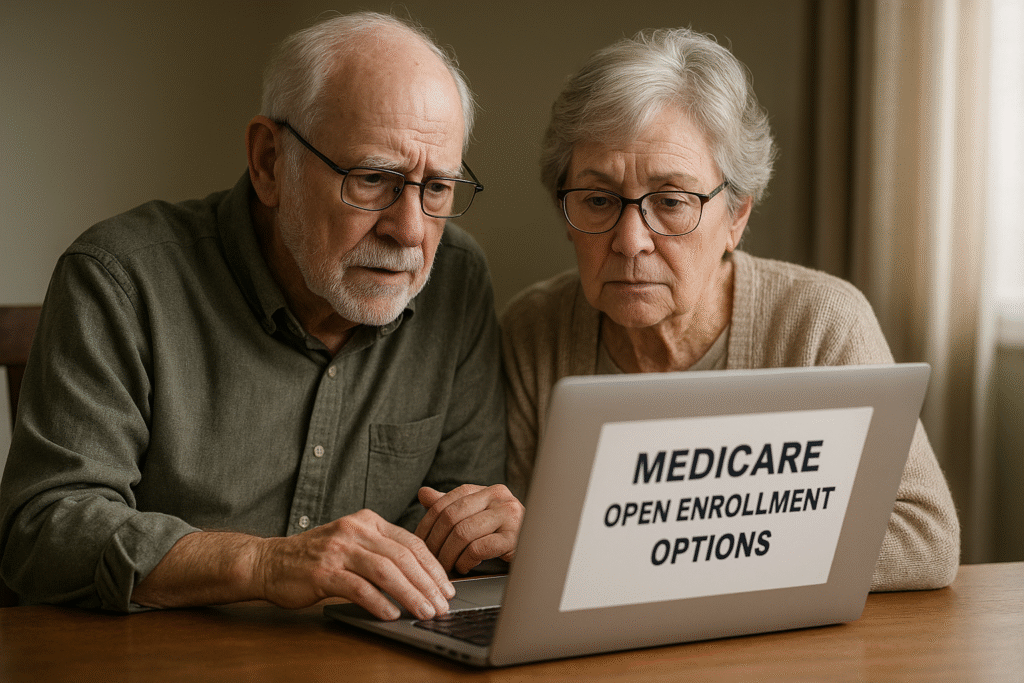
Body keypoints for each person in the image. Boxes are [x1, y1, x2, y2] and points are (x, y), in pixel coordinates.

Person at [0, 12, 523, 618]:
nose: (409, 230)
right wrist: (264, 564)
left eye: (436, 188)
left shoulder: (456, 281)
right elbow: (43, 531)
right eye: (373, 178)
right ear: (270, 162)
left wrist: (496, 533)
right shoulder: (121, 278)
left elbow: (454, 529)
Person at [501, 28, 959, 591]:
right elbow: (510, 546)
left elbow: (923, 539)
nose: (630, 240)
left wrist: (649, 552)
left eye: (671, 202)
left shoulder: (819, 324)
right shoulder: (534, 333)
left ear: (736, 217)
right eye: (598, 200)